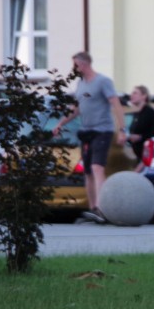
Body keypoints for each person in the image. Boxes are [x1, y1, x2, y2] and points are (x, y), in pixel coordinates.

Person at [52, 52, 125, 223]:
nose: (74, 69)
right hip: (86, 132)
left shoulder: (103, 81)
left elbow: (116, 104)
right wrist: (61, 123)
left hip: (102, 130)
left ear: (83, 64)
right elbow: (76, 108)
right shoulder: (81, 84)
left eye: (75, 65)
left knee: (97, 167)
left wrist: (122, 129)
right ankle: (93, 209)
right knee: (88, 171)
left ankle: (102, 208)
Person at [127, 85, 154, 173]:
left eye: (135, 93)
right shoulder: (137, 114)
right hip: (137, 156)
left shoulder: (150, 113)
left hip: (147, 160)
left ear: (144, 96)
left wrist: (140, 137)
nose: (132, 95)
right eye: (132, 93)